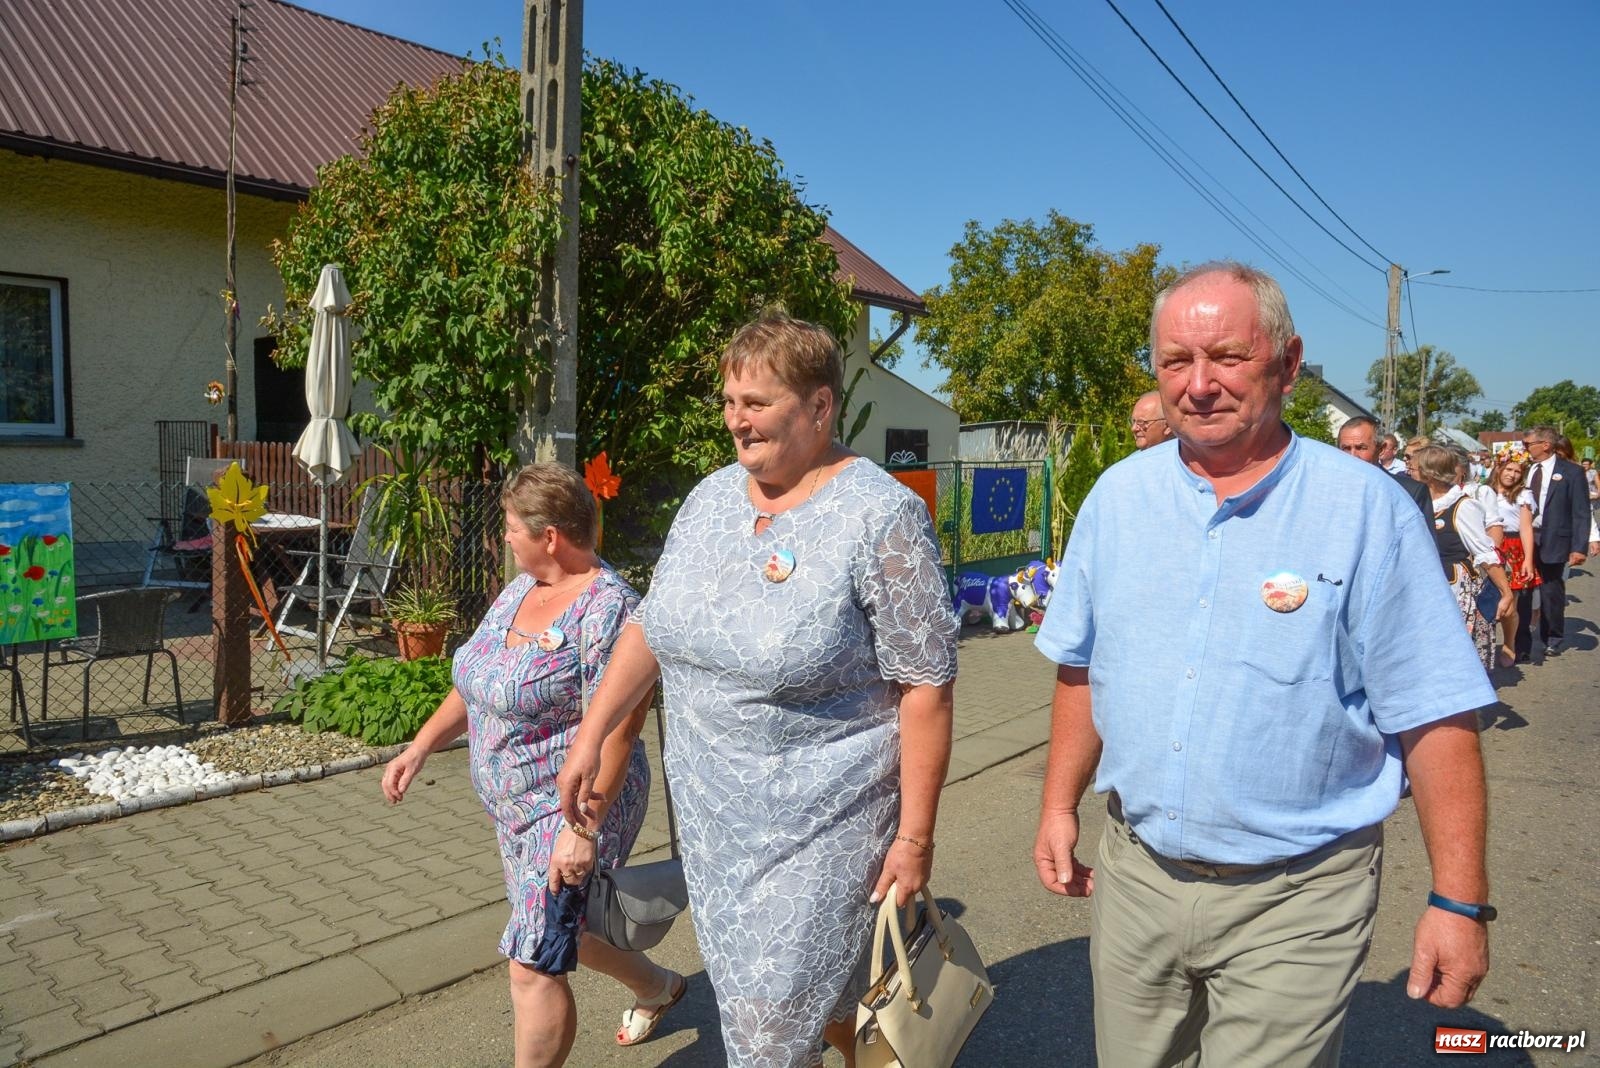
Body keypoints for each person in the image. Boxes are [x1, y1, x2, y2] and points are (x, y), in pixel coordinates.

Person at [1032, 262, 1496, 1067]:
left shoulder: (1364, 510)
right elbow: (1081, 667)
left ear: (1287, 360)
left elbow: (1435, 711)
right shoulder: (1117, 499)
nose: (1199, 384)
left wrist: (1459, 900)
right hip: (1137, 878)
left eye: (1228, 357)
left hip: (1298, 897)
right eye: (1176, 361)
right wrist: (1058, 804)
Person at [556, 314, 958, 1068]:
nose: (737, 419)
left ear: (819, 406)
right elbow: (653, 630)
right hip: (716, 826)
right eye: (730, 400)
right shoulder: (710, 501)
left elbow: (926, 688)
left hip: (824, 824)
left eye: (758, 401)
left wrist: (914, 838)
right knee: (821, 998)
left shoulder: (881, 515)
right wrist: (592, 733)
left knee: (766, 1031)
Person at [381, 464, 683, 1066]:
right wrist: (421, 745)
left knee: (533, 962)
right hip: (513, 808)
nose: (504, 539)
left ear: (551, 536)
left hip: (573, 805)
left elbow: (620, 733)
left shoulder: (611, 610)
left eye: (512, 528)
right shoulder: (520, 590)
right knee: (564, 929)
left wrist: (581, 831)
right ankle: (658, 986)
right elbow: (478, 681)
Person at [1413, 445, 1514, 672]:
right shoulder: (1420, 502)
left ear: (1429, 473)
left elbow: (1484, 553)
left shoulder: (1463, 506)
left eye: (1415, 467)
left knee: (1455, 660)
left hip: (1454, 590)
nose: (1410, 470)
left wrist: (1506, 593)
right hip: (1427, 589)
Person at [1514, 425, 1589, 659]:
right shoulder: (1523, 469)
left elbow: (1581, 512)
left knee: (1550, 591)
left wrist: (1579, 547)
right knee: (1523, 591)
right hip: (1522, 538)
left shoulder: (1571, 472)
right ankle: (1521, 644)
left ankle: (1552, 636)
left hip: (1554, 538)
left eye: (1528, 444)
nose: (1524, 449)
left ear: (1545, 445)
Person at [1485, 450, 1539, 668]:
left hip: (1512, 547)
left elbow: (1526, 528)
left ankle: (1509, 643)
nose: (1512, 474)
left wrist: (1528, 560)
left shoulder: (1523, 495)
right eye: (1509, 469)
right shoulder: (1483, 491)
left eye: (1518, 471)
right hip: (1487, 545)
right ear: (1499, 468)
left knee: (1509, 605)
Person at [1336, 415, 1429, 520]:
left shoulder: (1409, 492)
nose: (1352, 455)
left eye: (1361, 448)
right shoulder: (1328, 489)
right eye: (1346, 448)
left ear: (1380, 449)